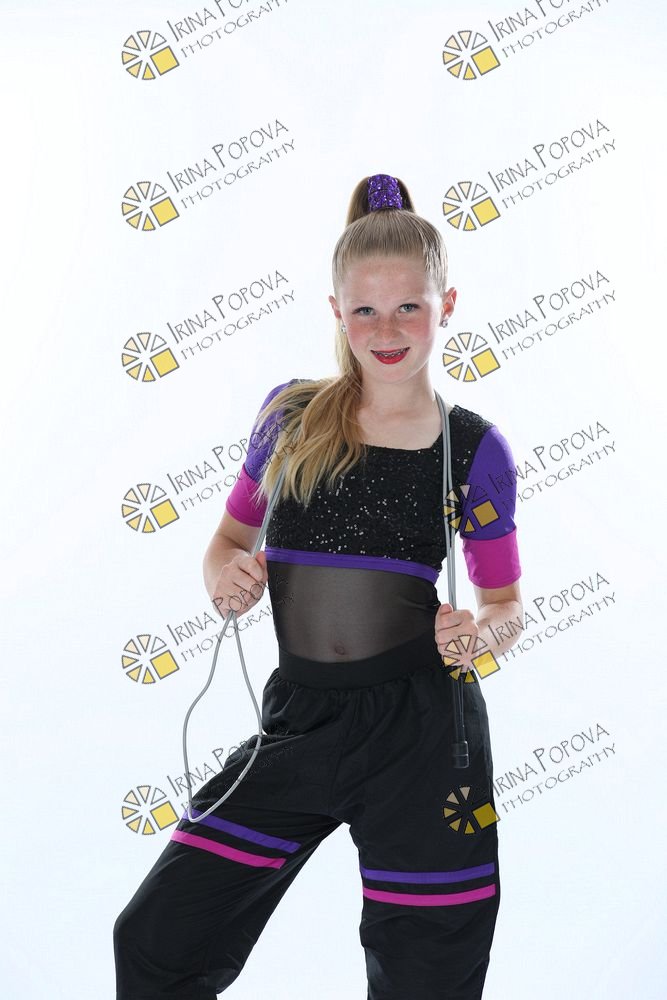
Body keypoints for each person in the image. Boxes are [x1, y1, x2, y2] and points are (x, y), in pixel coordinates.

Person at [113, 173, 524, 1000]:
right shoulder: (291, 418)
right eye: (364, 309)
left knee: (426, 976)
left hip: (423, 736)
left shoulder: (472, 447)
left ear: (446, 305)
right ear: (336, 311)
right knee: (157, 938)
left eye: (407, 307)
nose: (386, 329)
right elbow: (228, 542)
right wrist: (224, 577)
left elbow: (504, 604)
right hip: (299, 721)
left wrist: (479, 635)